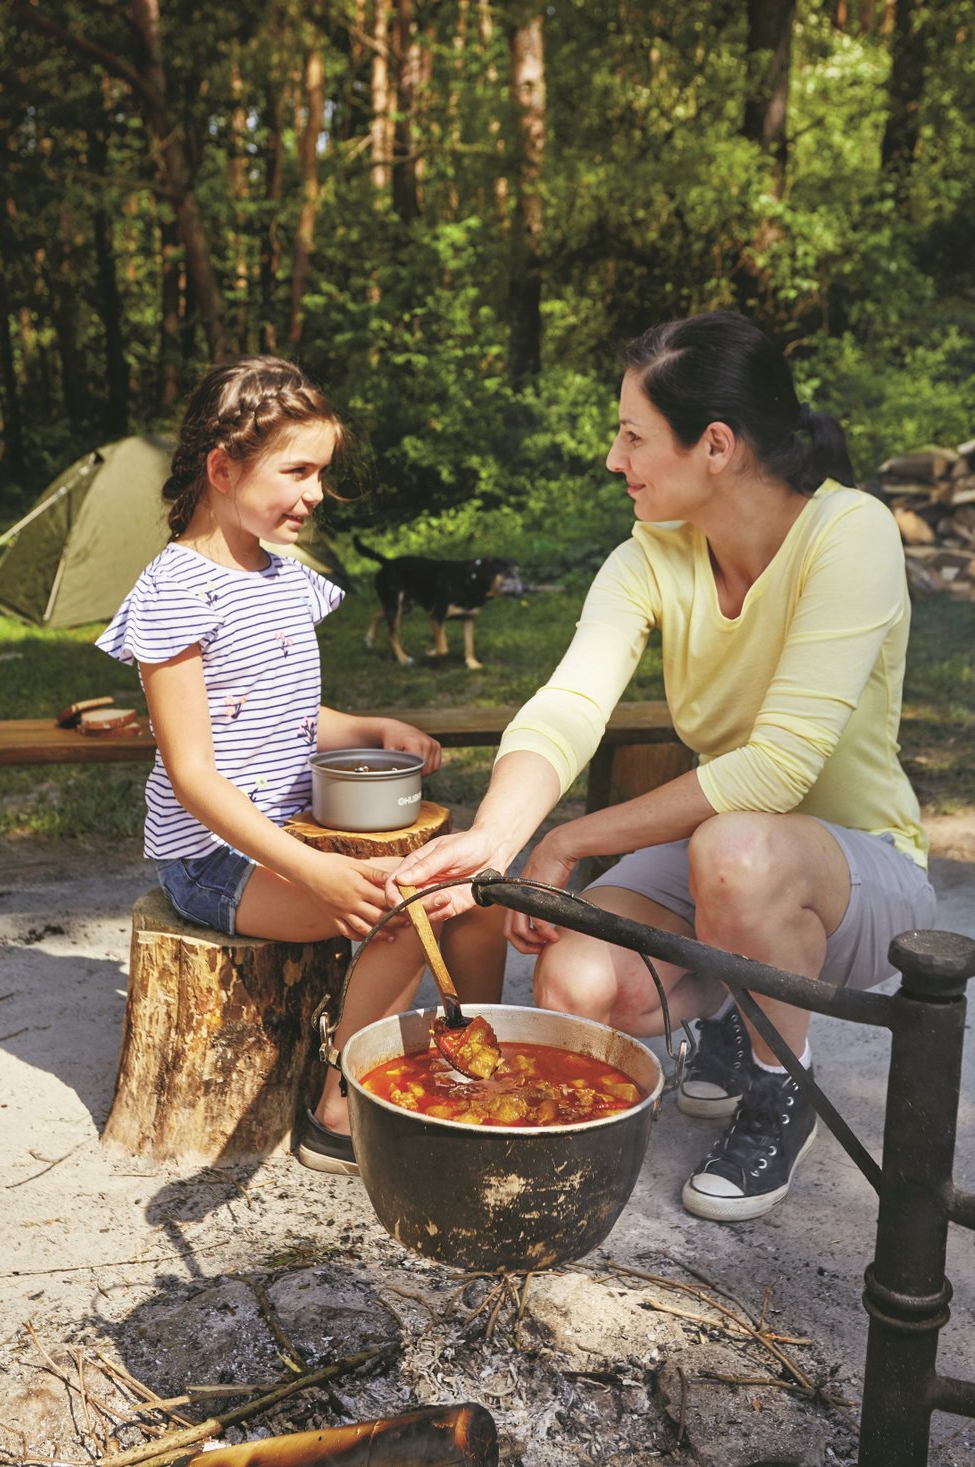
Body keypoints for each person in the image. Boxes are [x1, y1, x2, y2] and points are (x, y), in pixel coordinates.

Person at [393, 310, 936, 1223]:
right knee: (574, 983)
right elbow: (569, 706)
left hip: (853, 872)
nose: (616, 458)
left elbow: (777, 769)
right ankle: (732, 1012)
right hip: (723, 858)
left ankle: (781, 1089)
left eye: (634, 435)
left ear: (715, 445)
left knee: (737, 848)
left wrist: (571, 837)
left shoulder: (853, 532)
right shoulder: (653, 555)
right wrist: (494, 836)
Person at [96, 356, 505, 1177]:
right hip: (213, 859)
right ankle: (338, 1106)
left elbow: (277, 709)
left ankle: (474, 1056)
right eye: (298, 470)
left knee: (473, 890)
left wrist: (366, 724)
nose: (316, 491)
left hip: (285, 833)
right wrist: (316, 870)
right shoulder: (178, 591)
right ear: (223, 468)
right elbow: (194, 774)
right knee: (401, 904)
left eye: (321, 470)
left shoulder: (282, 577)